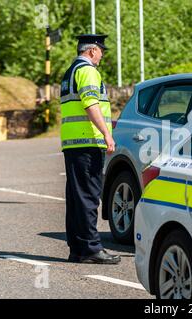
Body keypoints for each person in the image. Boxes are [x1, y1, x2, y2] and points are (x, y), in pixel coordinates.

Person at [60, 34, 120, 264]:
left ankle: (77, 249)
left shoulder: (70, 72)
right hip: (88, 142)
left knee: (77, 197)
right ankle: (91, 249)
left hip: (74, 143)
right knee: (88, 197)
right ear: (92, 51)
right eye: (101, 51)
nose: (102, 56)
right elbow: (91, 103)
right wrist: (106, 133)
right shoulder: (88, 71)